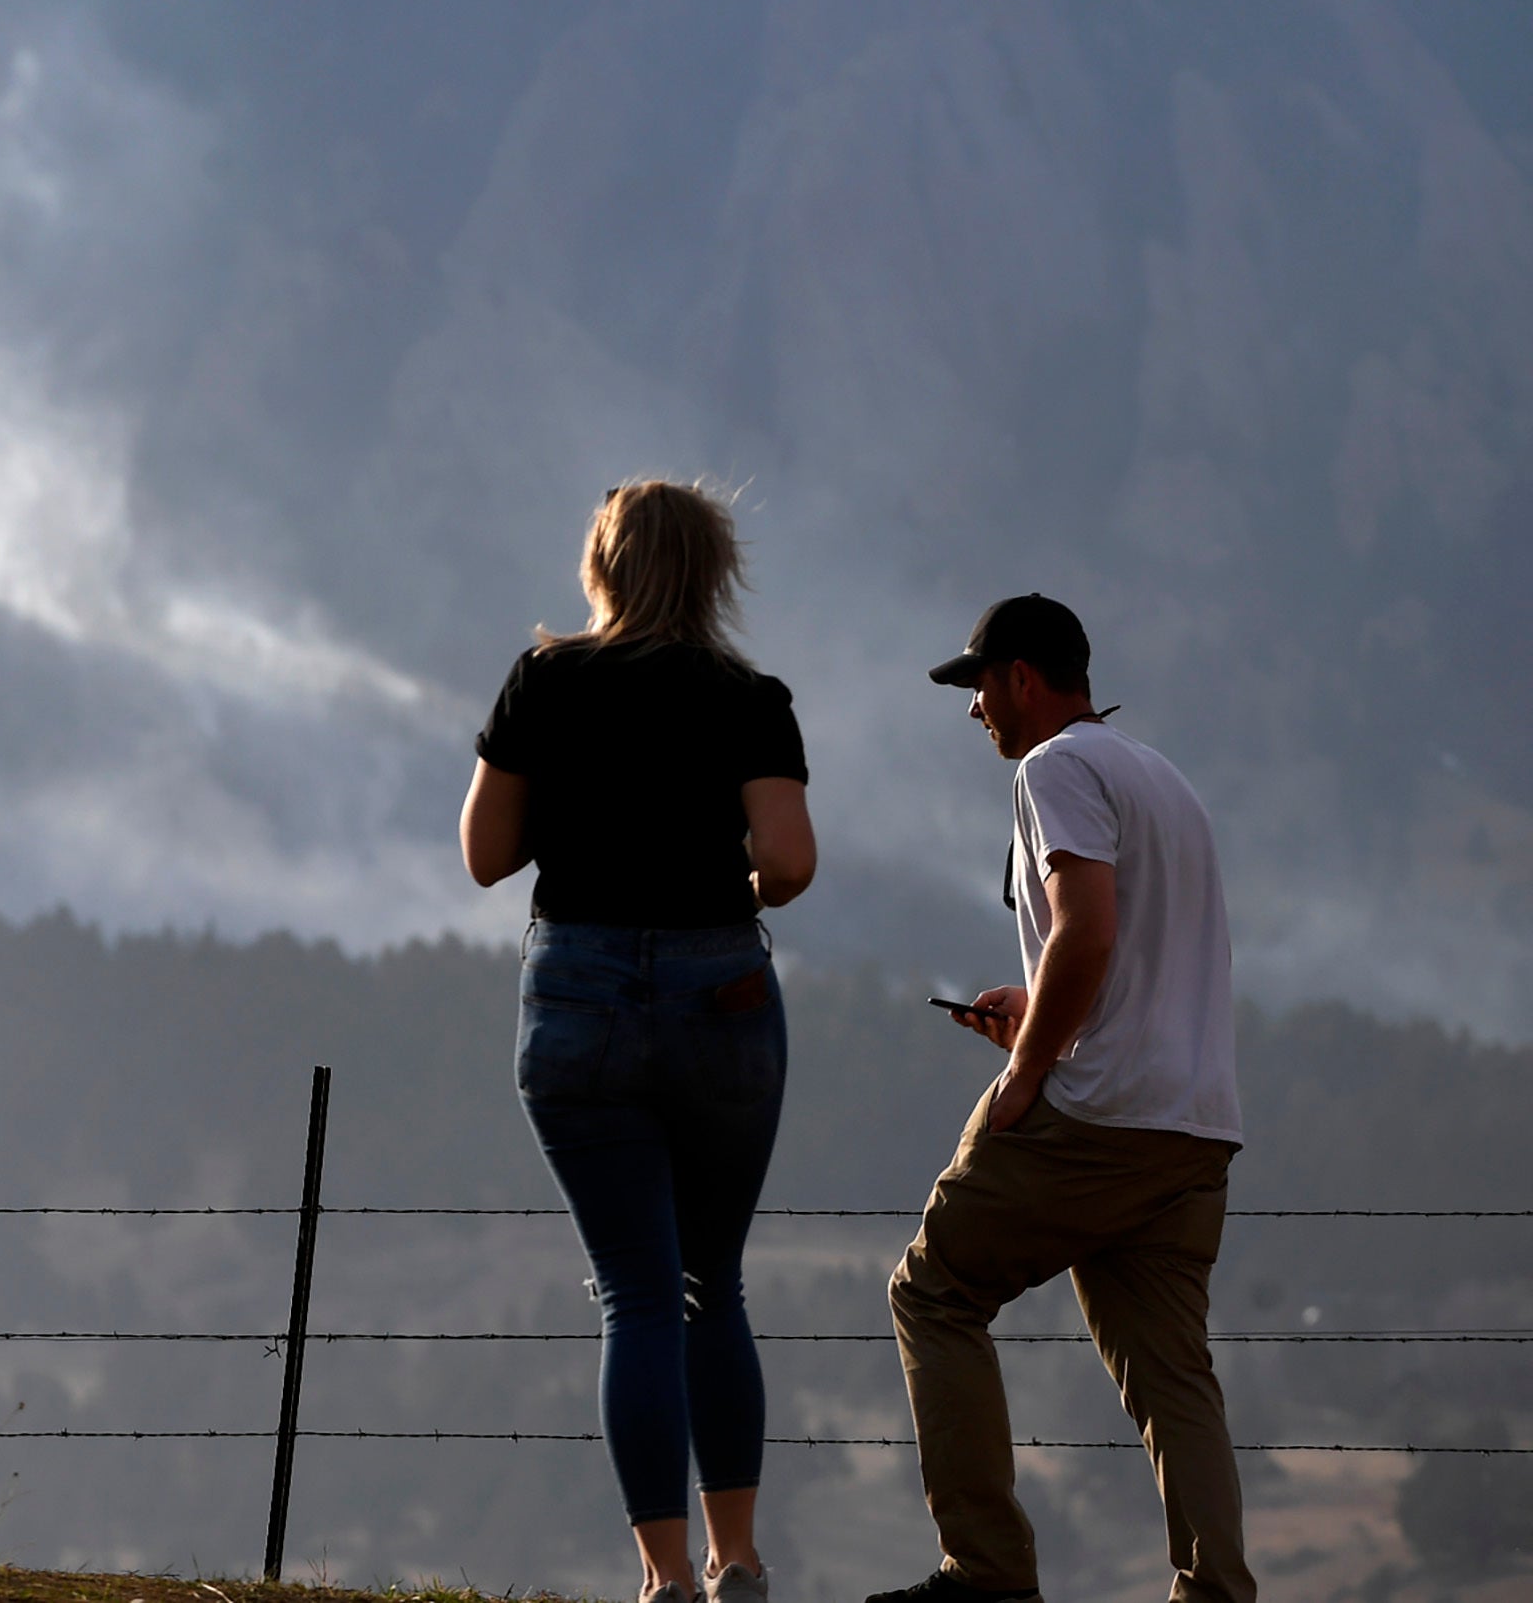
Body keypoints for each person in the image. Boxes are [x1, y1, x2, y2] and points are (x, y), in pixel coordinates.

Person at [460, 480, 816, 1603]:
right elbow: (791, 862)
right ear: (714, 573)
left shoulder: (546, 681)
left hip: (580, 992)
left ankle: (663, 1577)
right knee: (716, 1282)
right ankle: (740, 1561)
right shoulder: (748, 697)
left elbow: (484, 852)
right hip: (722, 995)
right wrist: (735, 878)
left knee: (638, 1294)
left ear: (603, 567)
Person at [875, 594, 1248, 1603]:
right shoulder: (1162, 778)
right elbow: (1137, 953)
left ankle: (987, 1573)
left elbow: (1088, 928)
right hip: (1195, 1122)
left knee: (932, 1291)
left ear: (1023, 678)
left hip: (1098, 1114)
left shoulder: (1055, 767)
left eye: (979, 686)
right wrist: (1038, 1006)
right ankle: (1218, 1590)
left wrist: (1029, 1066)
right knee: (1173, 1374)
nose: (974, 710)